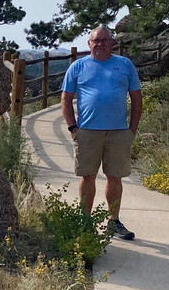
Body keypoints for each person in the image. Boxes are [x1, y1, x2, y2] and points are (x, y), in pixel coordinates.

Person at [60, 27, 143, 239]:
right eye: (96, 40)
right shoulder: (78, 67)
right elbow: (66, 98)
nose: (100, 44)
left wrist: (131, 130)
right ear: (89, 43)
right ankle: (85, 222)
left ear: (112, 43)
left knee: (115, 178)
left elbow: (136, 98)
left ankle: (113, 222)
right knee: (87, 177)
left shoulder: (125, 65)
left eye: (105, 40)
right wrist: (73, 128)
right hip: (87, 131)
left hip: (118, 132)